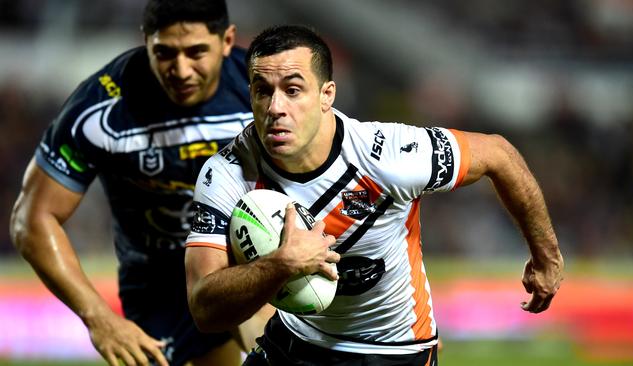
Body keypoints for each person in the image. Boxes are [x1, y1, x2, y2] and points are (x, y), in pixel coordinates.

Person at [184, 24, 564, 365]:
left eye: (293, 90)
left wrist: (546, 258)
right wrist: (282, 264)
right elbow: (204, 308)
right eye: (262, 91)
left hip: (392, 352)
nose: (275, 108)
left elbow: (498, 154)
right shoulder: (227, 174)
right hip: (296, 339)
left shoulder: (387, 154)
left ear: (326, 94)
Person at [9, 1, 271, 365]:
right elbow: (31, 219)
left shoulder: (264, 94)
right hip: (156, 287)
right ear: (145, 40)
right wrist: (99, 319)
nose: (180, 70)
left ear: (227, 40)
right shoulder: (100, 109)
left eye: (196, 52)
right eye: (165, 53)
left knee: (282, 352)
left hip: (240, 264)